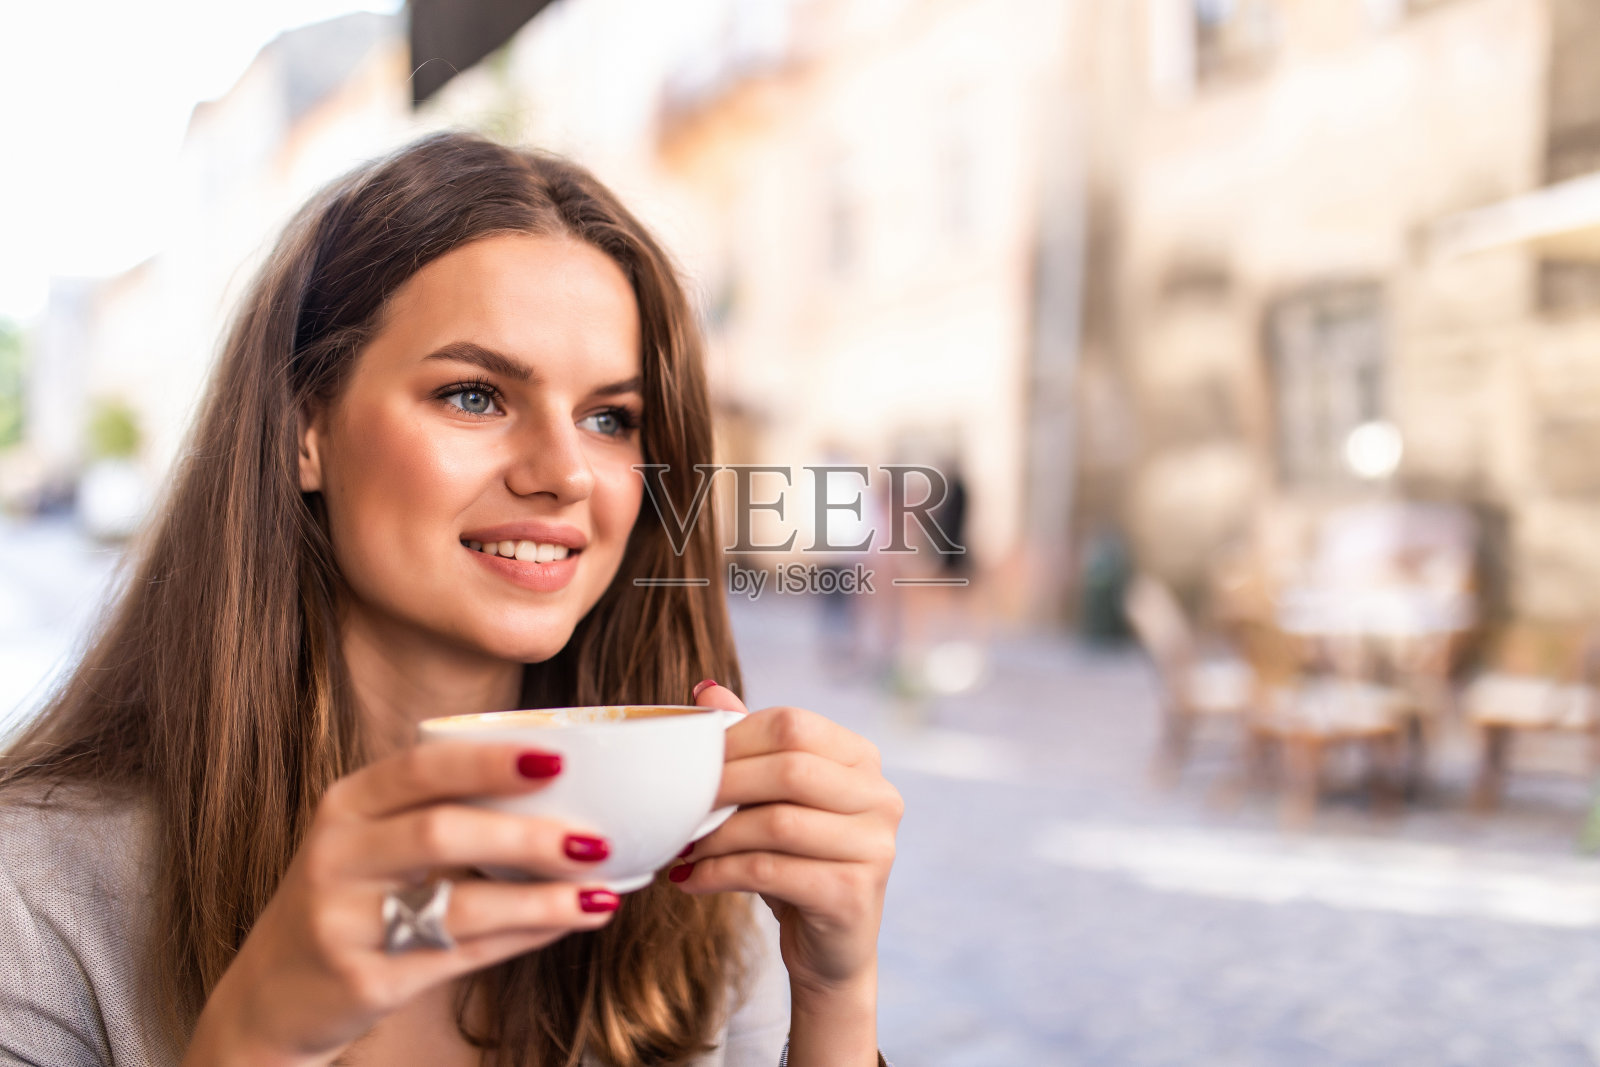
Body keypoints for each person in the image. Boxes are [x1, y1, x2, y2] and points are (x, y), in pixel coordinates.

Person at [0, 132, 902, 1067]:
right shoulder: (35, 895)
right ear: (303, 428)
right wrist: (254, 1039)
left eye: (609, 419)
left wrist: (839, 1003)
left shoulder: (690, 885)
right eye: (475, 395)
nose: (565, 474)